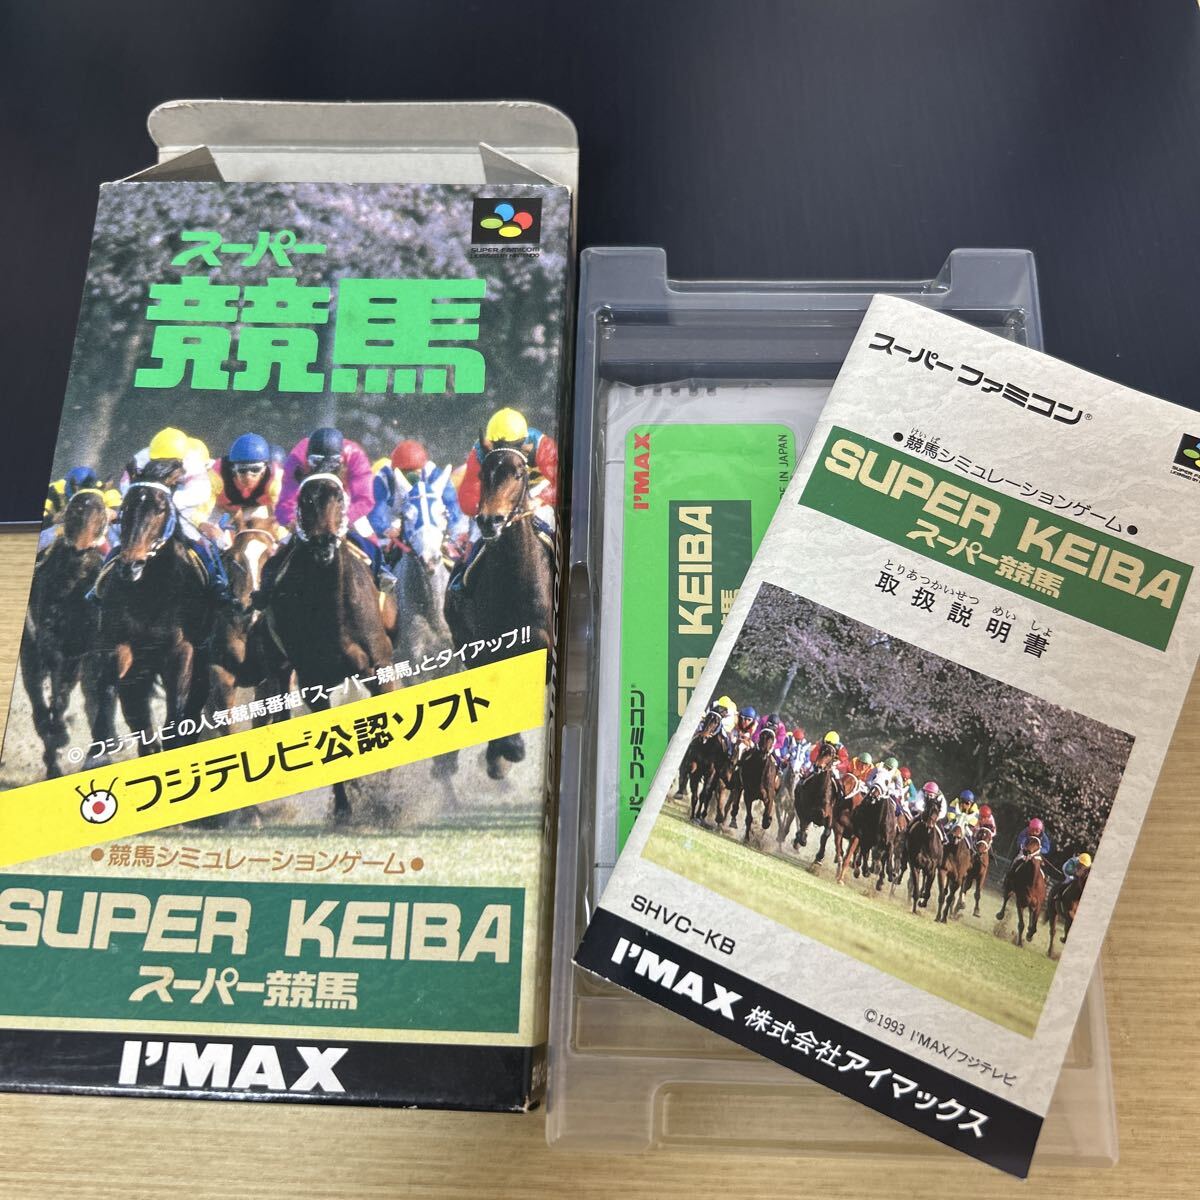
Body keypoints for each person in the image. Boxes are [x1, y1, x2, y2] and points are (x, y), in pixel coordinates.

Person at [262, 426, 395, 596]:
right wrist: (291, 521)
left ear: (341, 459)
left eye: (332, 463)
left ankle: (381, 572)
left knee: (368, 536)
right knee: (282, 547)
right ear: (307, 457)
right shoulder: (297, 457)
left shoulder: (355, 454)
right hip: (310, 508)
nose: (324, 467)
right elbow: (286, 501)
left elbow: (364, 499)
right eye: (316, 462)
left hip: (344, 506)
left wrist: (342, 519)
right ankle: (266, 586)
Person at [456, 406, 558, 526]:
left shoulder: (541, 444)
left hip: (536, 492)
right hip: (495, 496)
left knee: (545, 515)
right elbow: (468, 497)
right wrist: (484, 508)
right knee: (478, 530)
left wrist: (539, 500)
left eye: (515, 445)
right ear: (490, 442)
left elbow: (566, 483)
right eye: (499, 445)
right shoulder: (480, 451)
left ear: (524, 440)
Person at [368, 438, 469, 552]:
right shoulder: (383, 478)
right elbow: (375, 515)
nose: (409, 478)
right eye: (405, 473)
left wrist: (453, 533)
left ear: (422, 469)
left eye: (414, 473)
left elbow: (452, 506)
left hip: (429, 524)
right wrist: (387, 530)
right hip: (393, 523)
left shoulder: (434, 474)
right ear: (394, 469)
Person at [206, 432, 284, 544]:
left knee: (269, 535)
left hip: (254, 507)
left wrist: (277, 537)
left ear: (264, 468)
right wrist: (207, 527)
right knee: (207, 536)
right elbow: (202, 510)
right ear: (233, 469)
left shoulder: (274, 481)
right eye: (242, 470)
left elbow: (278, 516)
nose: (248, 476)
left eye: (255, 470)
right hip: (221, 507)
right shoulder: (217, 475)